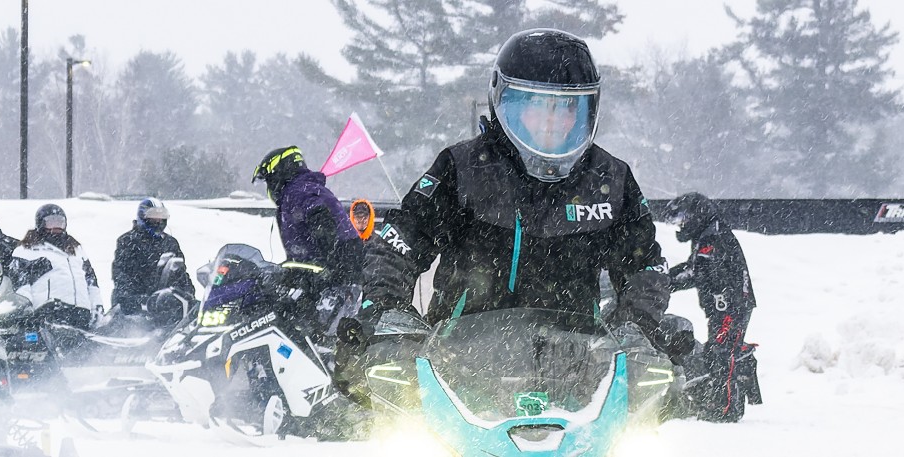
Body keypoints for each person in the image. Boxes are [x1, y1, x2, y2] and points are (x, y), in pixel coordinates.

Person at [339, 29, 679, 401]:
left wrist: (637, 329)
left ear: (588, 111)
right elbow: (398, 245)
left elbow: (645, 266)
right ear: (506, 102)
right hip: (456, 372)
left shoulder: (610, 179)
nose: (553, 120)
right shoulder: (463, 168)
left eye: (567, 107)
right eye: (537, 103)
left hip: (579, 376)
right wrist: (390, 316)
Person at [662, 192, 761, 422]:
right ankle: (740, 364)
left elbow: (698, 272)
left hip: (732, 307)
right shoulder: (706, 233)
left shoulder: (713, 238)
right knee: (715, 352)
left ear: (696, 215)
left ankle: (726, 410)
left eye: (683, 220)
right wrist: (666, 279)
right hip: (724, 307)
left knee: (721, 355)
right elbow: (695, 267)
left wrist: (666, 282)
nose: (681, 226)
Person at [251, 145, 366, 340]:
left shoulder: (298, 192)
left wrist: (328, 270)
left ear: (278, 172)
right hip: (333, 273)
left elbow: (323, 224)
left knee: (301, 328)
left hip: (334, 276)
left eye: (268, 180)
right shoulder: (303, 189)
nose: (269, 187)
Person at [11, 204, 106, 329]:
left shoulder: (76, 249)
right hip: (50, 312)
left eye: (60, 222)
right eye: (51, 222)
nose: (56, 227)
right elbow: (21, 283)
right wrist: (26, 307)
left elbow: (91, 281)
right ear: (41, 224)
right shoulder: (27, 250)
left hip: (81, 313)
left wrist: (96, 305)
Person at [111, 198, 195, 316]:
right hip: (135, 305)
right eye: (154, 217)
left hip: (165, 303)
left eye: (161, 217)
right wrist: (134, 298)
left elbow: (180, 271)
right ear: (143, 217)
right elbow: (120, 273)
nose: (158, 221)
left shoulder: (170, 242)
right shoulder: (128, 241)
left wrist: (188, 292)